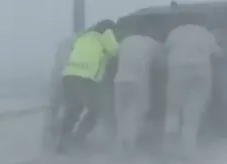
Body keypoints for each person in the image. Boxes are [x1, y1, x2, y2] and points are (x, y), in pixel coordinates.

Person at [56, 19, 119, 153]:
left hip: (68, 76)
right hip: (85, 79)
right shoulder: (104, 36)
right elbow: (115, 51)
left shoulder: (83, 37)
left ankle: (62, 143)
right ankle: (78, 139)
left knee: (73, 110)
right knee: (96, 109)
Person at [164, 22, 221, 158]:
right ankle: (187, 151)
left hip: (177, 70)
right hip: (200, 71)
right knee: (193, 110)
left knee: (173, 109)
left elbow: (164, 50)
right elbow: (217, 53)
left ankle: (169, 147)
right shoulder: (205, 32)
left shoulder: (175, 31)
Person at [113, 33, 162, 154]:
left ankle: (120, 145)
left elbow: (114, 54)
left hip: (119, 80)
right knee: (138, 110)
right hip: (137, 81)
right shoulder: (151, 42)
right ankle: (130, 144)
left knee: (121, 113)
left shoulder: (125, 40)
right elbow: (162, 59)